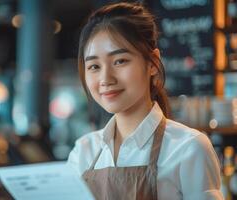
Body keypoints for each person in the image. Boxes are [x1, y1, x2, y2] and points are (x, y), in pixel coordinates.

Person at [67, 2, 223, 200]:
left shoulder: (189, 147)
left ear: (152, 63)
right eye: (94, 66)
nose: (106, 79)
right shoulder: (83, 151)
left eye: (120, 61)